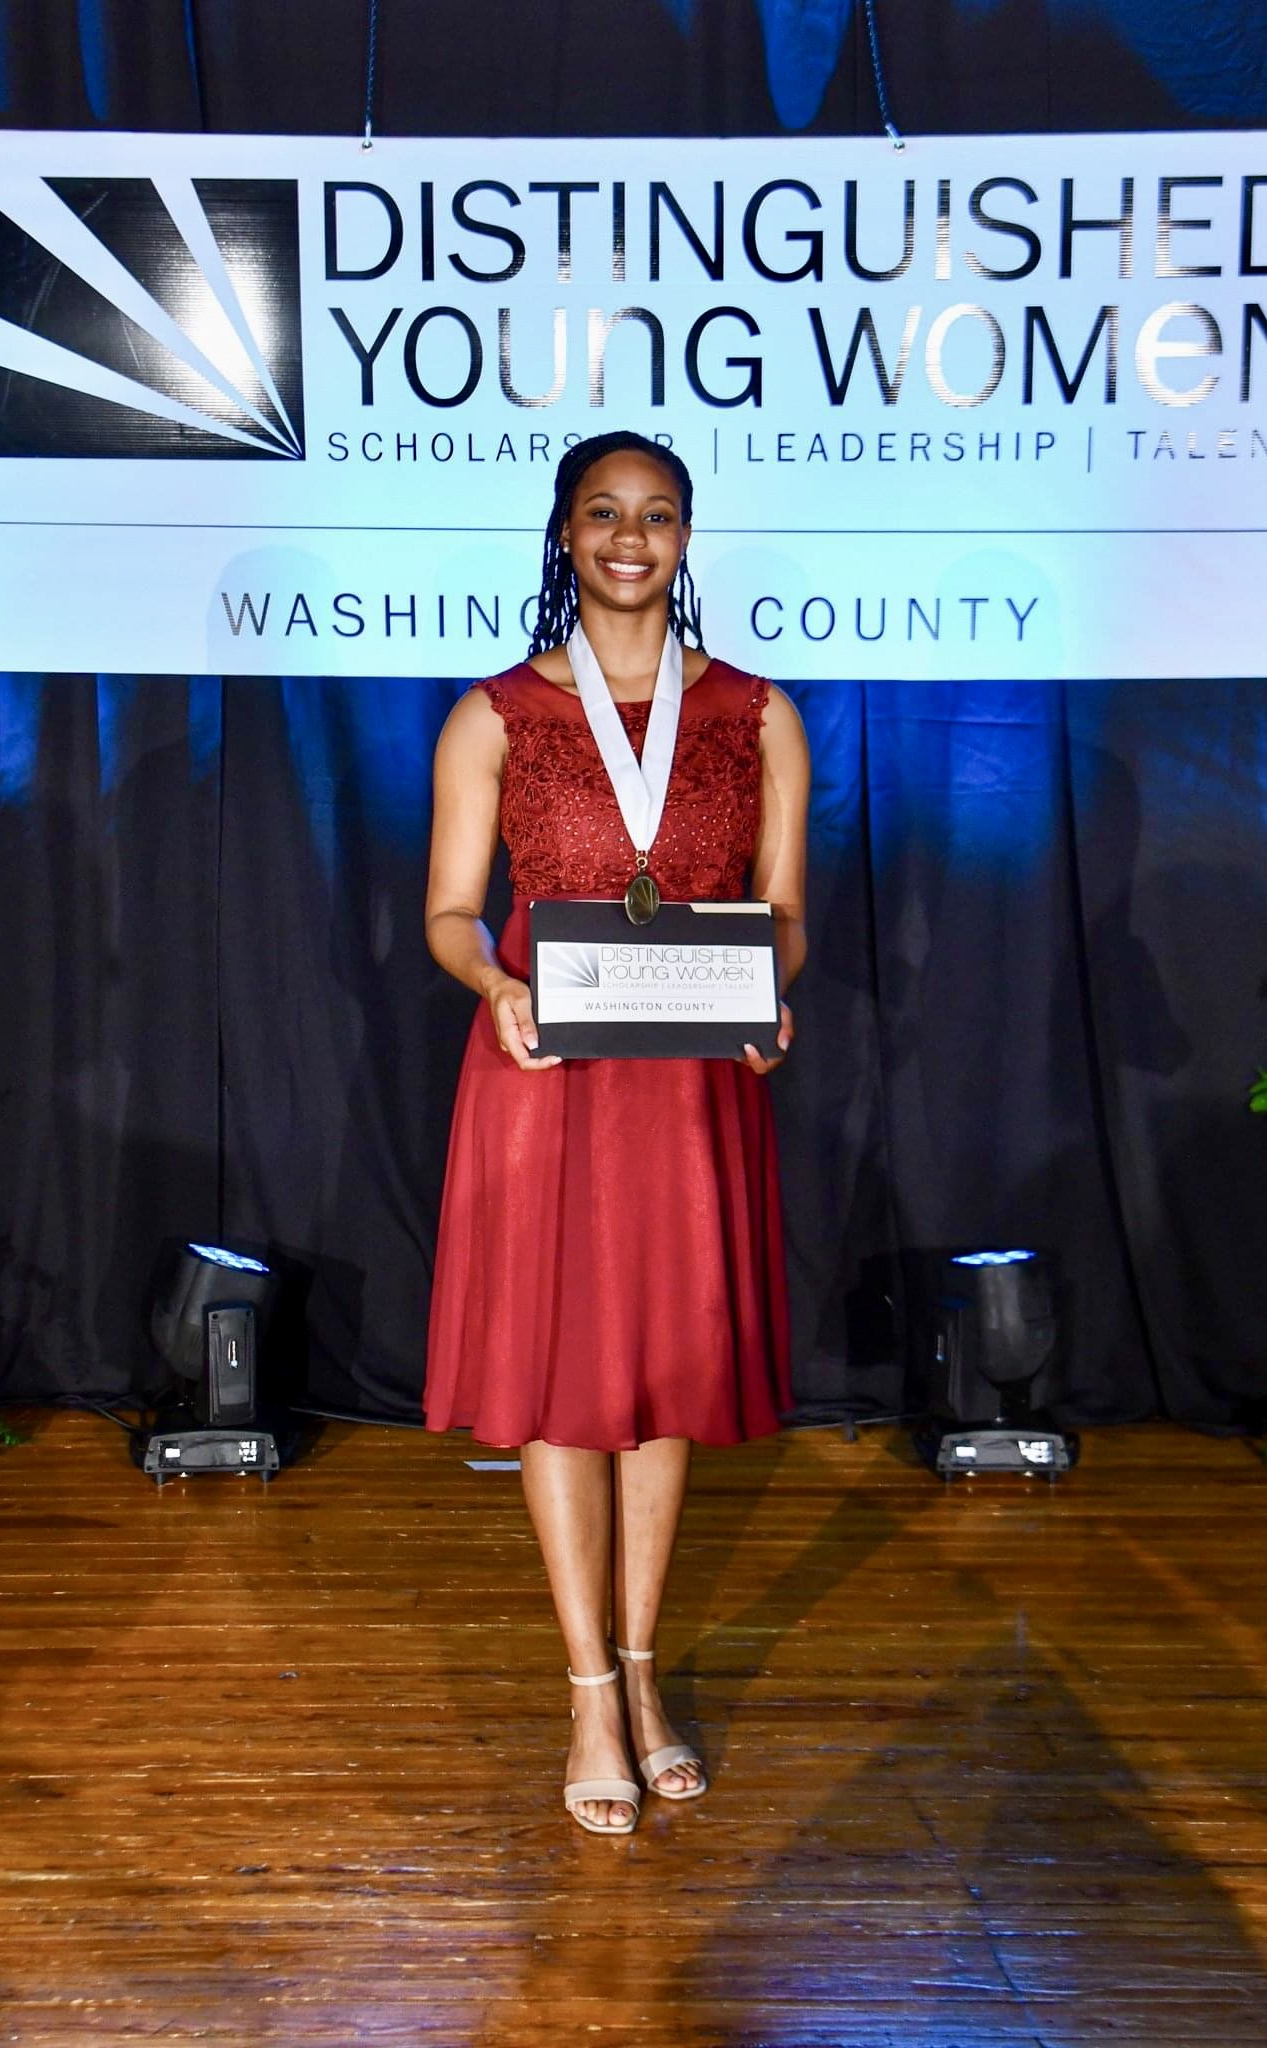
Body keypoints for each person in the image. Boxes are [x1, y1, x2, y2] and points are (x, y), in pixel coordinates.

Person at [423, 429, 810, 1835]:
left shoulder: (759, 714)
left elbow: (783, 912)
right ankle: (587, 1690)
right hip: (544, 1075)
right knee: (557, 1379)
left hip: (691, 1084)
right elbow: (449, 910)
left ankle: (645, 1679)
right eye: (603, 513)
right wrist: (493, 982)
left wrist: (772, 1003)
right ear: (564, 535)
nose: (630, 537)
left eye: (656, 514)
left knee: (662, 1380)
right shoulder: (495, 715)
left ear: (687, 537)